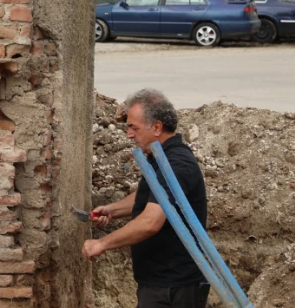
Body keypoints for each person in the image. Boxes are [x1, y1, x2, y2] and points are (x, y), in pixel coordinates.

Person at [83, 89, 209, 308]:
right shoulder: (160, 158)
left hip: (175, 287)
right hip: (160, 281)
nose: (129, 134)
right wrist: (113, 210)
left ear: (157, 127)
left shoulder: (177, 164)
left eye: (134, 127)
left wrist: (101, 244)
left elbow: (151, 222)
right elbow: (152, 196)